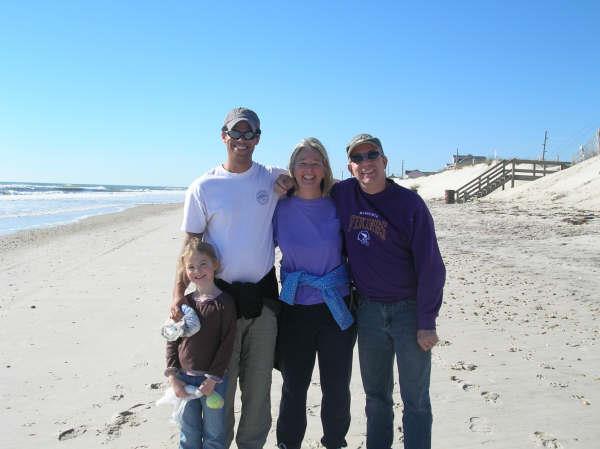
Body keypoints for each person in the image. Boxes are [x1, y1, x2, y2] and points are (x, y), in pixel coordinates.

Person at [170, 107, 290, 449]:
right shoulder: (204, 186)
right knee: (218, 385)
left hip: (263, 300)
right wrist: (177, 295)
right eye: (235, 133)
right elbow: (189, 246)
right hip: (217, 303)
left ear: (258, 138)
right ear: (223, 136)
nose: (242, 140)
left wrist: (290, 181)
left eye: (248, 133)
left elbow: (309, 178)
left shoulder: (271, 177)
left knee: (258, 388)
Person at [330, 134, 446, 449]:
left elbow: (431, 266)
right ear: (350, 167)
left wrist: (427, 320)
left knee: (416, 398)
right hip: (367, 311)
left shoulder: (409, 204)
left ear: (384, 161)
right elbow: (306, 180)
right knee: (376, 397)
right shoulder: (343, 193)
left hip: (409, 312)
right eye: (358, 158)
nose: (366, 163)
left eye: (372, 155)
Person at [273, 138, 356, 449]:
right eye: (302, 163)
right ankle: (287, 444)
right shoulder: (278, 207)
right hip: (294, 308)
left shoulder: (340, 203)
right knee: (294, 387)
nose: (309, 169)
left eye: (315, 162)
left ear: (325, 168)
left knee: (336, 387)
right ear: (292, 169)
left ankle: (335, 442)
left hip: (336, 307)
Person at [165, 238, 237, 449]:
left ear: (215, 264)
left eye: (203, 264)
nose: (197, 270)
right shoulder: (183, 303)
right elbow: (171, 340)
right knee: (189, 432)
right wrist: (173, 378)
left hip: (214, 383)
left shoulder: (225, 303)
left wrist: (213, 379)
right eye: (191, 267)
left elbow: (227, 344)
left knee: (215, 434)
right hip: (183, 378)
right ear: (185, 271)